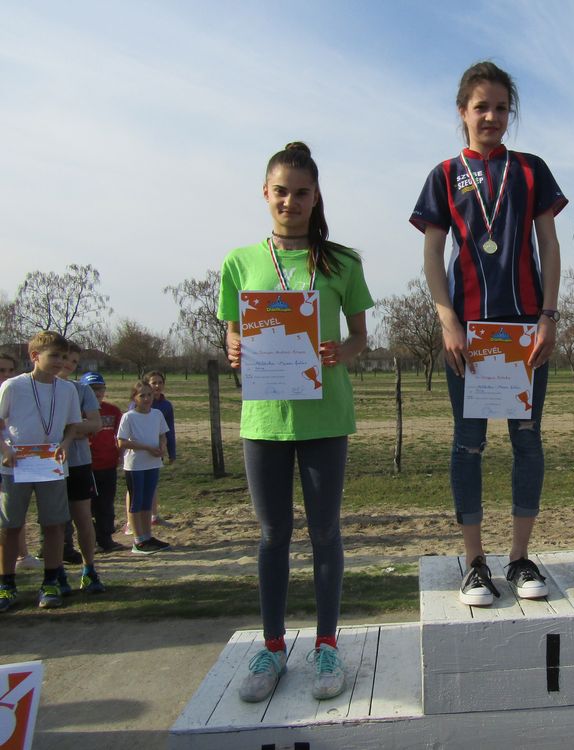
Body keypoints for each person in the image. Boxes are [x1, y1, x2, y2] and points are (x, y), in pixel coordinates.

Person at [219, 142, 373, 703]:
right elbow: (233, 331)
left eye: (301, 193)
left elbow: (360, 337)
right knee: (272, 535)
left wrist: (339, 351)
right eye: (281, 191)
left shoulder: (342, 261)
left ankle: (327, 645)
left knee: (325, 532)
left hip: (325, 416)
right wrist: (234, 347)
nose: (291, 202)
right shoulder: (239, 261)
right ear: (265, 193)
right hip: (264, 420)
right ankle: (273, 646)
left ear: (316, 196)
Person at [410, 61, 566, 606]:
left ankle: (520, 558)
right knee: (468, 444)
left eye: (502, 108)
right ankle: (475, 563)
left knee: (527, 440)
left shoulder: (531, 170)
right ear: (463, 112)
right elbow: (432, 255)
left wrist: (549, 316)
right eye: (482, 107)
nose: (492, 117)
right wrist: (447, 321)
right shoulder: (443, 174)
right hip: (469, 335)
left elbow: (549, 245)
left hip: (525, 332)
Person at [0, 331, 82, 612]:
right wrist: (5, 450)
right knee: (10, 526)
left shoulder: (67, 389)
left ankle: (50, 582)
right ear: (35, 356)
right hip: (16, 465)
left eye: (64, 356)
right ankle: (6, 584)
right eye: (54, 356)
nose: (60, 362)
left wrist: (66, 444)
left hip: (51, 463)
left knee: (54, 525)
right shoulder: (13, 386)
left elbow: (72, 425)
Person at [56, 341, 106, 594]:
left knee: (83, 518)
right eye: (65, 358)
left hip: (78, 462)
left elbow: (95, 424)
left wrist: (66, 431)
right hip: (48, 465)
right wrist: (76, 429)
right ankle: (56, 573)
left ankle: (89, 569)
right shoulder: (35, 388)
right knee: (54, 522)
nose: (68, 364)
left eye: (74, 362)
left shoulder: (81, 389)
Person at [116, 381, 170, 554]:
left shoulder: (157, 414)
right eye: (142, 395)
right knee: (136, 501)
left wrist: (162, 446)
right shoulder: (129, 417)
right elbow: (121, 442)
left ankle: (147, 536)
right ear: (134, 398)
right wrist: (146, 447)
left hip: (153, 463)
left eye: (149, 395)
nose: (146, 399)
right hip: (135, 465)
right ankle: (138, 540)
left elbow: (162, 435)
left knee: (147, 501)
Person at [0, 351, 41, 573]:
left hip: (13, 462)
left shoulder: (16, 392)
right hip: (5, 456)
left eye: (10, 370)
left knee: (13, 514)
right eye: (1, 370)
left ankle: (22, 554)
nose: (6, 375)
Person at [80, 372, 126, 552]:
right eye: (92, 389)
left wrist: (120, 455)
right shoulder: (77, 411)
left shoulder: (112, 411)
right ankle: (90, 540)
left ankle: (105, 539)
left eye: (100, 388)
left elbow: (120, 435)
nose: (97, 393)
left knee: (106, 504)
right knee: (87, 507)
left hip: (108, 465)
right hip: (87, 466)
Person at [143, 370, 174, 526]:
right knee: (135, 487)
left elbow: (169, 430)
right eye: (153, 383)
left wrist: (171, 452)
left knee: (153, 483)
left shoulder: (166, 405)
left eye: (160, 382)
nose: (157, 386)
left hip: (157, 450)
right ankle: (131, 521)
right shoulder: (138, 403)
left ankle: (154, 516)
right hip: (140, 451)